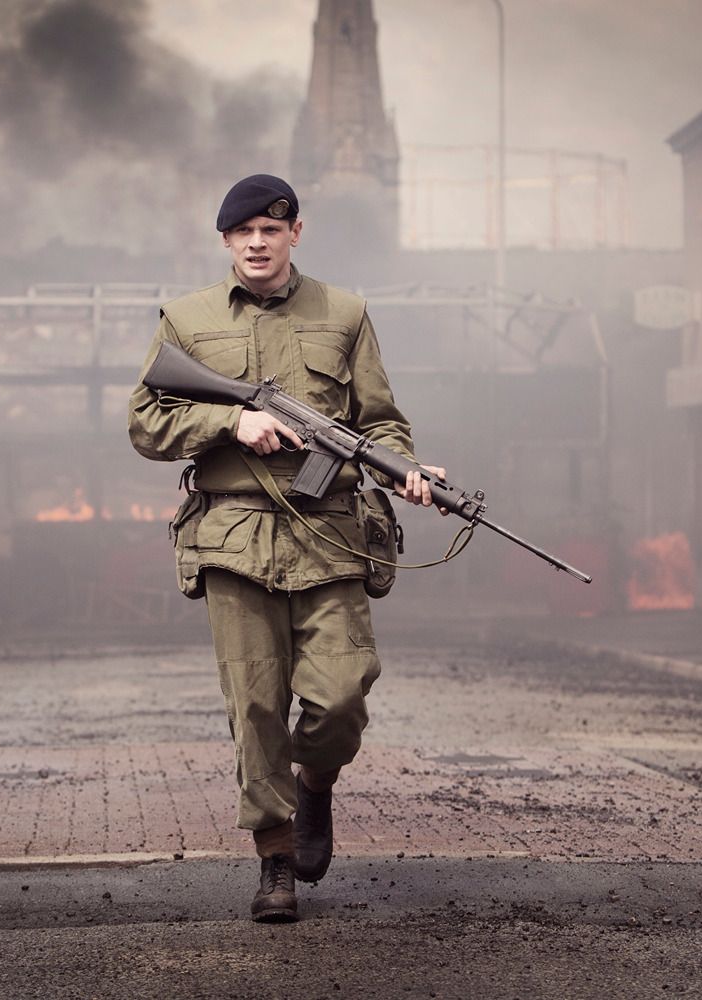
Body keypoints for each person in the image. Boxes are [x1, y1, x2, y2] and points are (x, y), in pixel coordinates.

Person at [127, 174, 444, 922]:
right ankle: (275, 861)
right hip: (233, 538)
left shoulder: (345, 312)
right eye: (244, 234)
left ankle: (315, 786)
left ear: (296, 232)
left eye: (273, 231)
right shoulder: (187, 318)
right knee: (256, 708)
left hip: (328, 535)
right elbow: (145, 423)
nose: (258, 243)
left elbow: (382, 421)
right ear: (227, 241)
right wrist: (226, 425)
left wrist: (408, 470)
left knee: (340, 695)